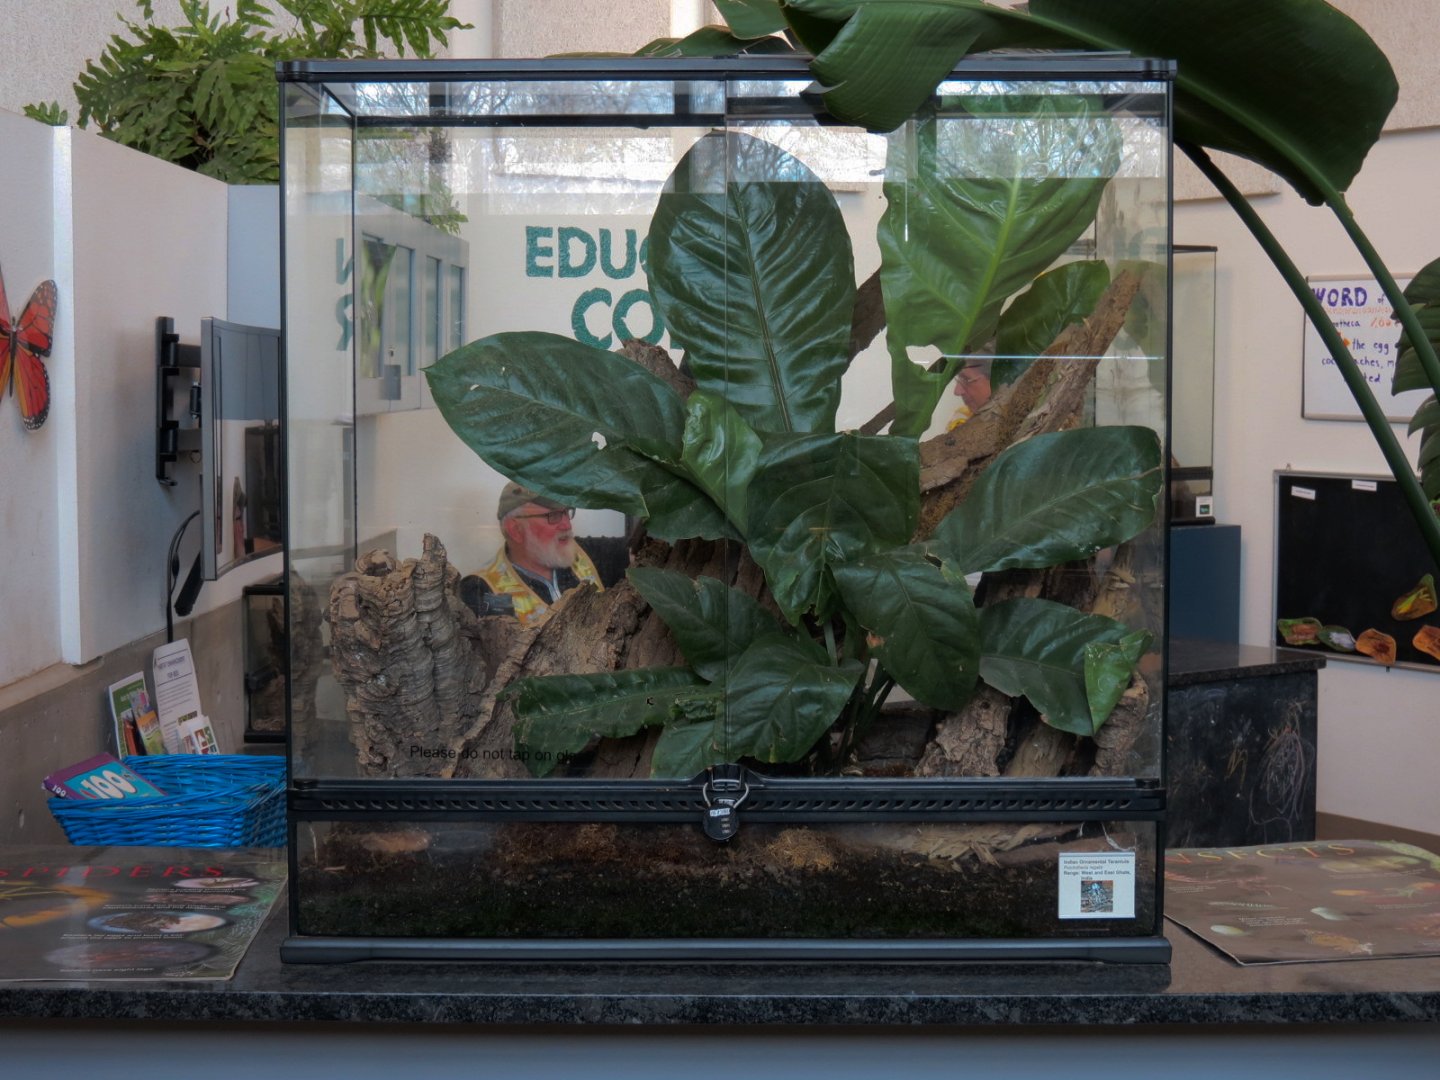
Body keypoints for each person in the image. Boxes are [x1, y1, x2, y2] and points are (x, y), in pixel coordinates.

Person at [460, 482, 603, 628]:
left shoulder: (588, 552)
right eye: (553, 515)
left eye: (566, 512)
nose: (567, 525)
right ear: (516, 530)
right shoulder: (482, 589)